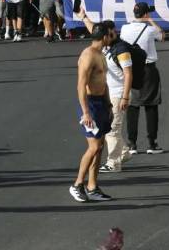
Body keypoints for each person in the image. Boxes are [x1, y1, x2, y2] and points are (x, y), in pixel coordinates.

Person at [71, 21, 115, 203]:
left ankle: (92, 186)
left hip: (101, 104)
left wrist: (109, 105)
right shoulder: (88, 56)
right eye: (110, 34)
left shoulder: (100, 54)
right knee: (94, 147)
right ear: (104, 36)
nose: (112, 36)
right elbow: (81, 85)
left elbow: (102, 83)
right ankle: (77, 185)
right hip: (90, 105)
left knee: (100, 147)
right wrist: (86, 112)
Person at [123, 2, 165, 155]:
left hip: (131, 69)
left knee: (132, 106)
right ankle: (152, 144)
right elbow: (162, 36)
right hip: (148, 69)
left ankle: (132, 144)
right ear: (146, 14)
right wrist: (151, 20)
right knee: (151, 105)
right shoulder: (150, 30)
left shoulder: (124, 28)